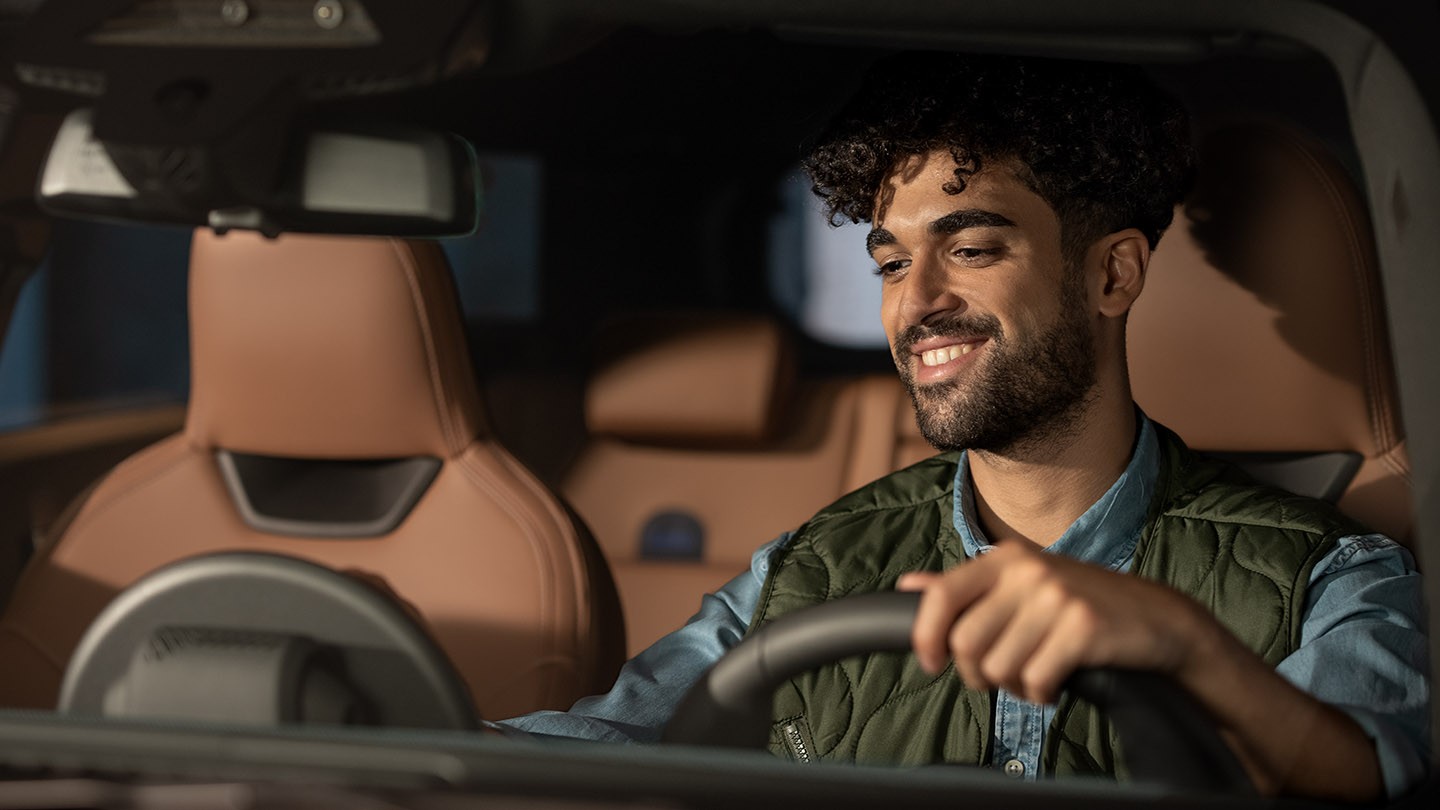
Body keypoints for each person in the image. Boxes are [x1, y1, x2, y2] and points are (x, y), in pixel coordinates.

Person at [499, 53, 1429, 801]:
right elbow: (577, 753)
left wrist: (1188, 647)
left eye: (973, 249)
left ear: (1113, 276)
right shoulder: (808, 571)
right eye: (892, 264)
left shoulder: (1330, 575)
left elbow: (1375, 774)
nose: (917, 305)